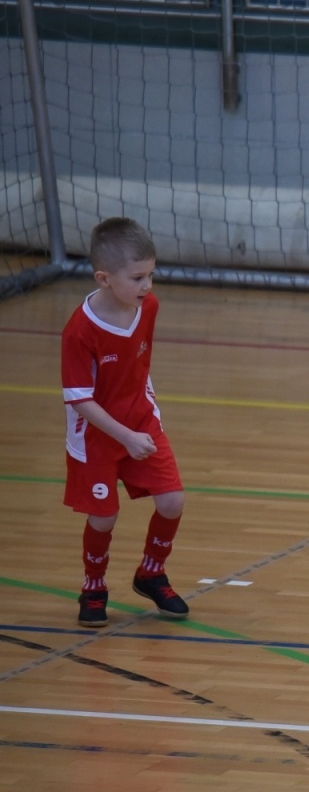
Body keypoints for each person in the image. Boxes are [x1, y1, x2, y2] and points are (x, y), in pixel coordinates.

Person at [62, 217, 190, 627]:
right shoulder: (79, 332)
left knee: (172, 501)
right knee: (104, 517)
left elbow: (139, 366)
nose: (147, 286)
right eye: (137, 277)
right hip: (99, 435)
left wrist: (142, 423)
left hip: (141, 422)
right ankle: (93, 587)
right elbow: (80, 400)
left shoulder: (146, 307)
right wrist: (125, 436)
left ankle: (151, 573)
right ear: (103, 278)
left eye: (151, 275)